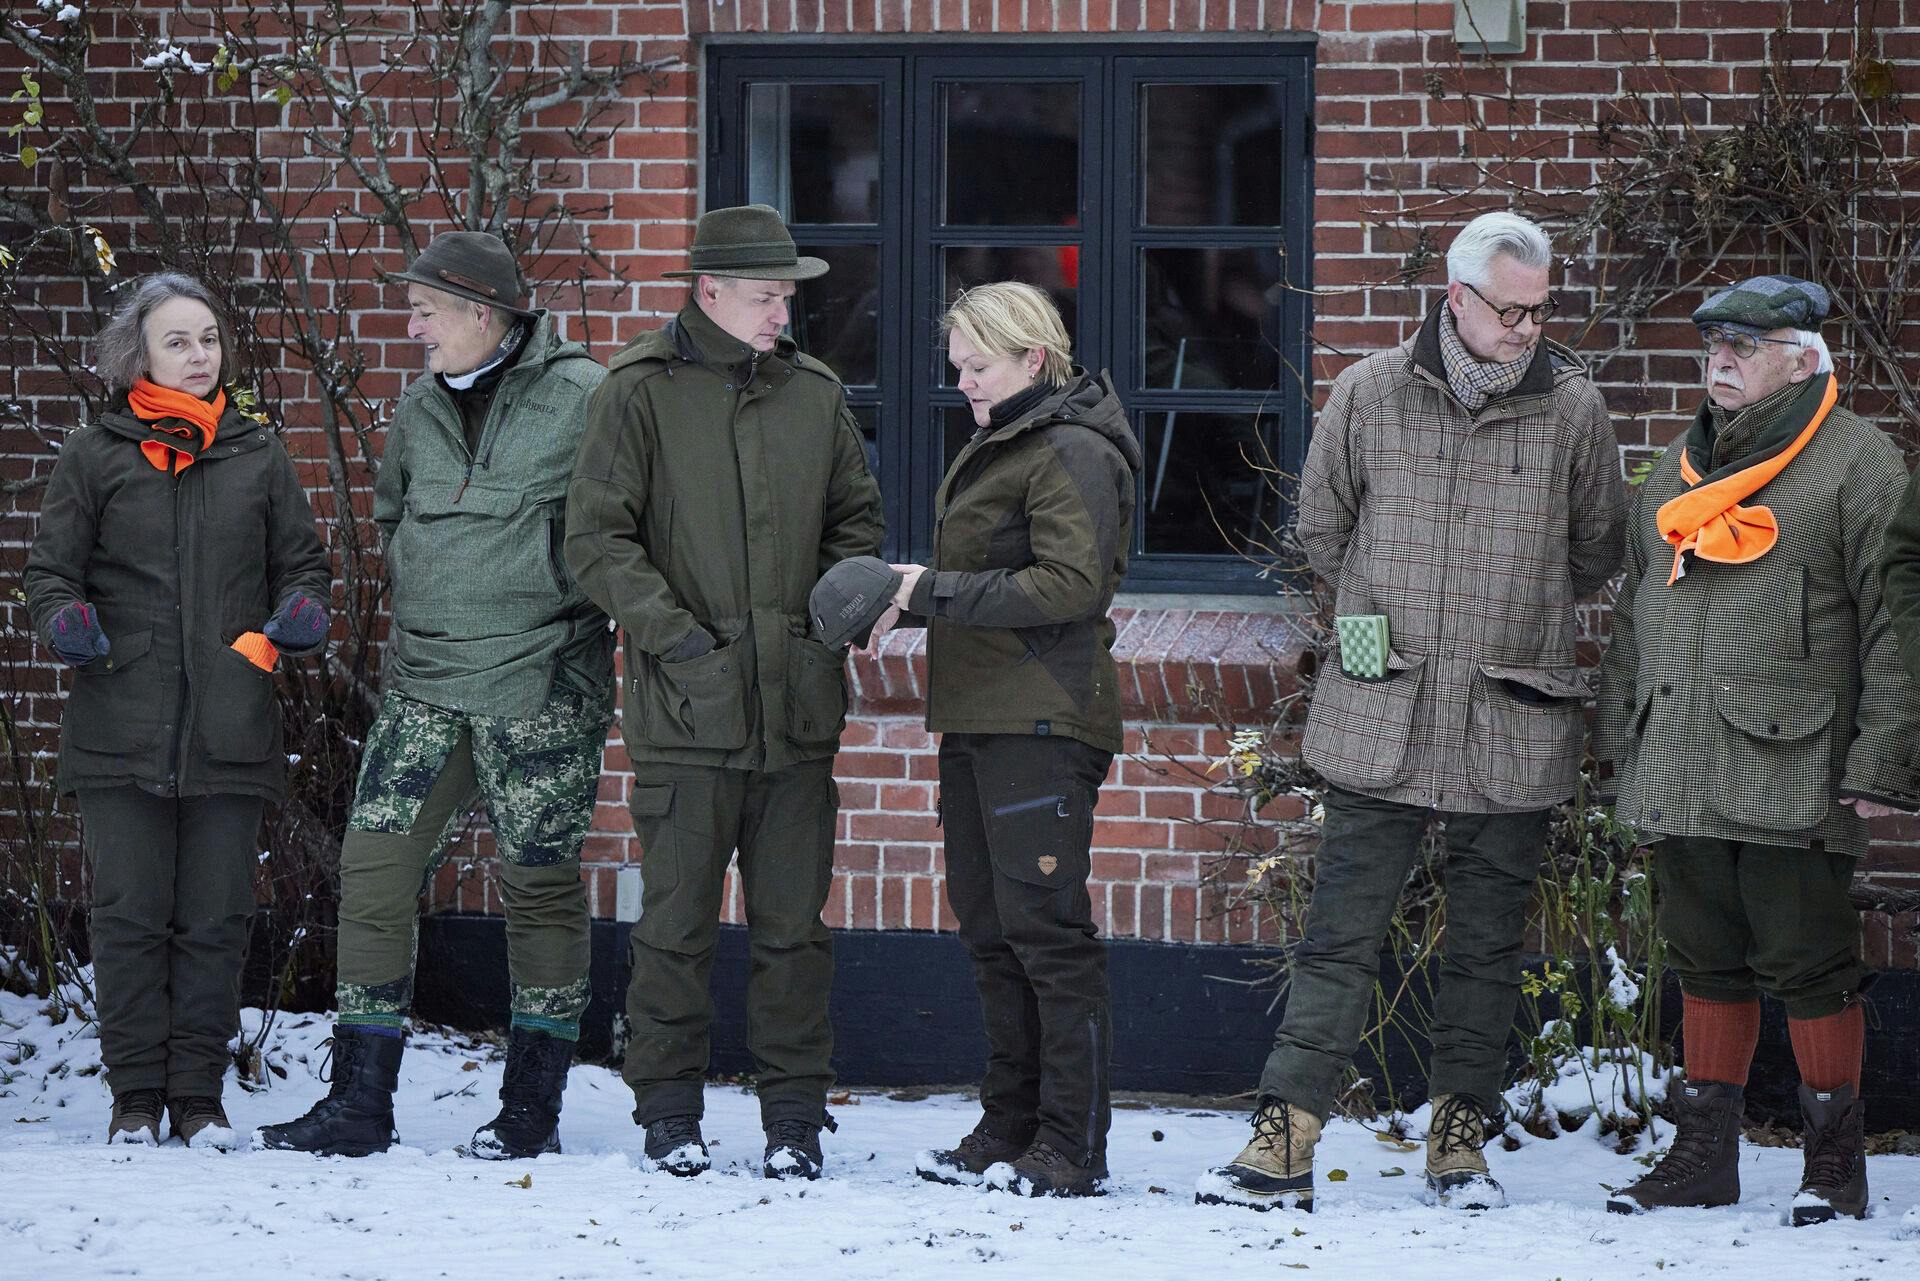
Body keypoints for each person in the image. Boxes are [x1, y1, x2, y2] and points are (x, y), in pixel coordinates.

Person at [1197, 211, 1627, 1213]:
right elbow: (1321, 526)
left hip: (1512, 711)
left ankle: (1459, 1139)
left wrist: (1508, 610)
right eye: (1512, 310)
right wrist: (1374, 621)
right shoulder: (1369, 393)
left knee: (1485, 944)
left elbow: (1598, 548)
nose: (1529, 327)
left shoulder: (1574, 409)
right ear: (1457, 300)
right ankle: (1284, 1135)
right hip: (1378, 708)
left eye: (1540, 309)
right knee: (1340, 936)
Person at [258, 231, 614, 1159]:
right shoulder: (417, 408)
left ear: (483, 315)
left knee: (537, 890)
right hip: (426, 682)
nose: (412, 327)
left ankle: (529, 1113)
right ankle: (358, 1106)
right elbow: (392, 517)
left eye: (425, 310)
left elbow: (621, 531)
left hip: (540, 682)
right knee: (373, 871)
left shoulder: (584, 398)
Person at [565, 204, 883, 1180]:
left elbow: (855, 523)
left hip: (796, 714)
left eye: (787, 295)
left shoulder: (812, 394)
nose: (780, 311)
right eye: (763, 295)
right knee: (674, 929)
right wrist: (682, 645)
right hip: (684, 717)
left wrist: (829, 620)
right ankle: (669, 1112)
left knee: (795, 934)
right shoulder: (637, 393)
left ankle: (794, 1120)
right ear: (707, 290)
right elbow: (595, 542)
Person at [1600, 276, 1919, 1224]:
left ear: (1803, 357)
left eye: (1743, 345)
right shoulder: (1674, 471)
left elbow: (1898, 630)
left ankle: (1834, 1164)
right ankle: (1704, 1156)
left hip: (1798, 765)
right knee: (1705, 958)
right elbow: (1632, 617)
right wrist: (1629, 745)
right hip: (1684, 758)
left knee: (1810, 960)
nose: (1720, 361)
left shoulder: (1860, 466)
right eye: (1713, 346)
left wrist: (1885, 760)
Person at [25, 272, 331, 1147]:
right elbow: (49, 573)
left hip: (232, 725)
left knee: (214, 920)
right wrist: (68, 621)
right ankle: (134, 1098)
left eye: (209, 338)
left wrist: (293, 619)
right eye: (178, 342)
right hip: (119, 720)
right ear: (139, 356)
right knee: (127, 919)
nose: (200, 356)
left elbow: (303, 566)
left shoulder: (257, 456)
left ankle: (198, 1095)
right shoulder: (96, 455)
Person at [871, 282, 1139, 1198]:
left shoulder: (1071, 447)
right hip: (983, 718)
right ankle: (1011, 1121)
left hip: (1042, 724)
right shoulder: (1008, 440)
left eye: (977, 366)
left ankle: (1072, 1143)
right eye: (957, 368)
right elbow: (993, 577)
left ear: (1033, 358)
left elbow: (1069, 586)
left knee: (1047, 937)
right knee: (992, 932)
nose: (963, 384)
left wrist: (926, 592)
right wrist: (902, 604)